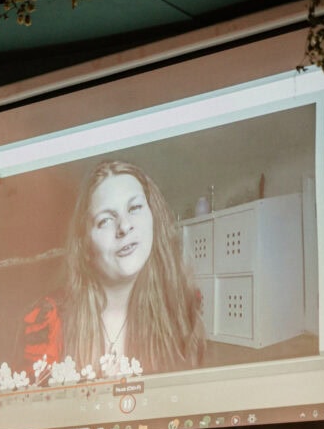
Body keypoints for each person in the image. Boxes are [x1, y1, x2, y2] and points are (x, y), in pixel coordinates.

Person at [21, 160, 205, 377]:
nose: (124, 227)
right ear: (85, 244)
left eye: (135, 208)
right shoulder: (49, 321)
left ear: (153, 218)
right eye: (105, 220)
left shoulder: (182, 308)